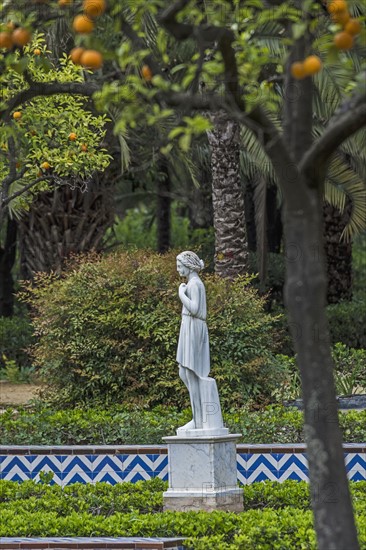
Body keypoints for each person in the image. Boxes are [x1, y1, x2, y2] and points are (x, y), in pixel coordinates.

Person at [176, 251, 224, 432]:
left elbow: (195, 309)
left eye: (180, 266)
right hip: (188, 326)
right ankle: (198, 415)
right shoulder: (192, 283)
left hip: (194, 327)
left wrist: (181, 294)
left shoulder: (195, 284)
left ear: (188, 266)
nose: (178, 269)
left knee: (191, 373)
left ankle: (198, 420)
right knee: (184, 372)